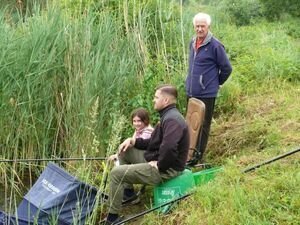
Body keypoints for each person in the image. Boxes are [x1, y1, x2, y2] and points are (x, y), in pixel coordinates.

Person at [103, 84, 190, 224]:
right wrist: (132, 141)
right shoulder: (167, 116)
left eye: (156, 97)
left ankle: (112, 219)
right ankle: (129, 194)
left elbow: (169, 149)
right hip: (158, 161)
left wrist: (159, 165)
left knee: (116, 173)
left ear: (166, 101)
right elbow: (152, 143)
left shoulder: (172, 120)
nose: (153, 100)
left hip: (167, 170)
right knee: (125, 151)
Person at [185, 12, 232, 163]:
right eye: (197, 26)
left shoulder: (215, 46)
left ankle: (198, 157)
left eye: (202, 26)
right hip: (191, 92)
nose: (199, 29)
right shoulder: (193, 42)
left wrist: (216, 83)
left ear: (208, 27)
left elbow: (227, 68)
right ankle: (188, 155)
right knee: (191, 124)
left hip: (206, 93)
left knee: (203, 126)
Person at [108, 108, 154, 203]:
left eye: (139, 121)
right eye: (134, 121)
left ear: (145, 120)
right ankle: (127, 191)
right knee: (122, 155)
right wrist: (116, 154)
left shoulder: (148, 132)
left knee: (123, 155)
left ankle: (128, 191)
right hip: (143, 157)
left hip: (149, 161)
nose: (136, 123)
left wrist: (118, 155)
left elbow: (137, 146)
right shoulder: (138, 130)